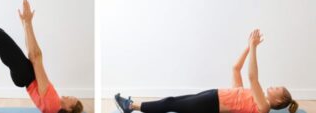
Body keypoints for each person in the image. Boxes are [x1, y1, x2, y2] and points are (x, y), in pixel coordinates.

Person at [114, 29, 299, 113]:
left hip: (211, 105)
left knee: (171, 104)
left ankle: (131, 106)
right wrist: (248, 48)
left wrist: (254, 47)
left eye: (277, 88)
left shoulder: (263, 107)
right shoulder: (251, 96)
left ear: (279, 99)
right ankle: (132, 106)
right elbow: (236, 69)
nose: (273, 86)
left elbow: (253, 77)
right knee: (172, 103)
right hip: (212, 96)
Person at [0, 0, 83, 113]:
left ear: (69, 109)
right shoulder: (53, 108)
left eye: (71, 98)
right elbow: (33, 58)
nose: (68, 96)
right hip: (25, 76)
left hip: (26, 75)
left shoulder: (53, 102)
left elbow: (36, 58)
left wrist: (28, 24)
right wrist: (25, 25)